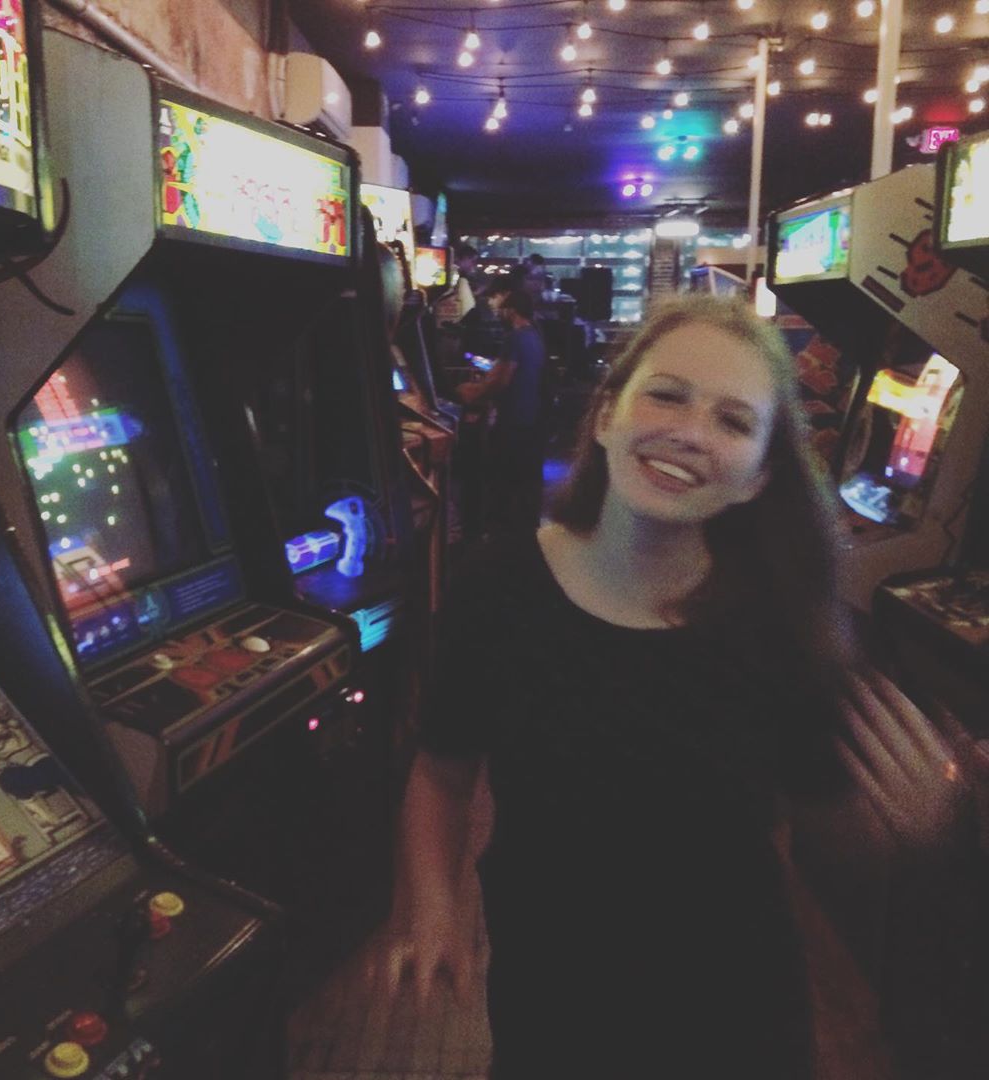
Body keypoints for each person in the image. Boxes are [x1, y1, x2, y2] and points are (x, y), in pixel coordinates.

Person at [377, 294, 980, 1078]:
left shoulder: (780, 625)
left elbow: (828, 833)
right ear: (606, 416)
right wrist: (434, 907)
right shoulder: (498, 587)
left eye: (733, 421)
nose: (692, 432)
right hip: (549, 996)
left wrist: (916, 828)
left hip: (734, 1015)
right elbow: (441, 774)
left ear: (758, 476)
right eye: (666, 394)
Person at [456, 288, 549, 536]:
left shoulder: (515, 338)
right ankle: (520, 530)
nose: (499, 314)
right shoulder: (534, 336)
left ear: (511, 311)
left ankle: (495, 533)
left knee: (500, 478)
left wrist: (472, 393)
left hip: (512, 417)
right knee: (522, 480)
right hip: (530, 417)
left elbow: (501, 380)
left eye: (502, 310)